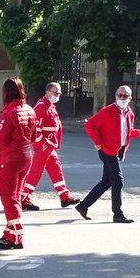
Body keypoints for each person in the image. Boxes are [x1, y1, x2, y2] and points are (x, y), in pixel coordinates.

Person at [76, 85, 140, 224]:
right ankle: (118, 214)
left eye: (125, 96)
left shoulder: (129, 113)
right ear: (115, 96)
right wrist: (98, 143)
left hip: (118, 151)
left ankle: (83, 206)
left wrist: (139, 132)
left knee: (106, 181)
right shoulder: (107, 111)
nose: (122, 98)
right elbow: (89, 125)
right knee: (118, 181)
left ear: (130, 98)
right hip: (107, 150)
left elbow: (127, 133)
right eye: (119, 95)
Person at [0, 78, 40, 250]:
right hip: (27, 156)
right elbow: (34, 137)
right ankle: (10, 233)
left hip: (10, 158)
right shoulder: (29, 110)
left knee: (8, 196)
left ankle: (16, 234)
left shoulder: (8, 112)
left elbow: (2, 138)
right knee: (16, 195)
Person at [20, 81, 81, 211]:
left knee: (56, 168)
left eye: (59, 93)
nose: (58, 95)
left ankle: (64, 196)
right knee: (36, 171)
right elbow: (35, 128)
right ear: (48, 92)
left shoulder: (50, 106)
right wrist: (42, 144)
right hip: (43, 146)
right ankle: (23, 197)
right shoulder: (42, 106)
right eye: (55, 92)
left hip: (49, 146)